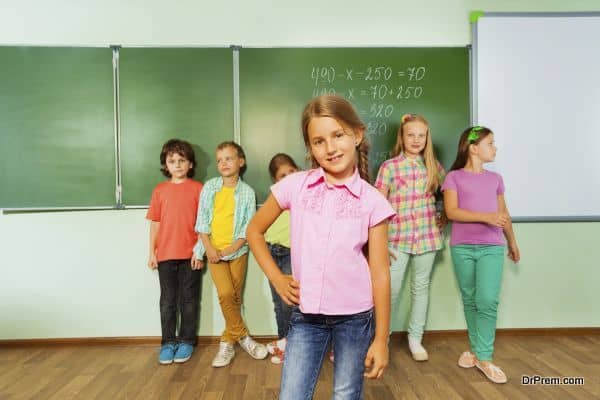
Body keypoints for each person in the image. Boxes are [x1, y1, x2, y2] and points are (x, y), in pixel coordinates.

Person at [247, 95, 395, 399]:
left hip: (355, 320)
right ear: (310, 148)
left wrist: (381, 339)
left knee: (345, 394)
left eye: (338, 135)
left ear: (357, 134)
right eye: (318, 141)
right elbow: (254, 230)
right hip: (305, 318)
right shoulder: (294, 186)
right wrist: (277, 278)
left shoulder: (373, 201)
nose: (330, 147)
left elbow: (380, 274)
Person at [442, 126, 520, 384]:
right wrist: (487, 217)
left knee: (487, 300)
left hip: (492, 246)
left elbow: (503, 213)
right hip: (462, 247)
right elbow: (452, 212)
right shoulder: (453, 177)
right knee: (471, 299)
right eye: (491, 143)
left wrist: (512, 241)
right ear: (473, 148)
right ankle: (476, 351)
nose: (495, 148)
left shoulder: (495, 180)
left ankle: (484, 357)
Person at [374, 113, 446, 361]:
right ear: (402, 137)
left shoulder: (434, 167)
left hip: (427, 237)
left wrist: (443, 218)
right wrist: (379, 241)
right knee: (389, 292)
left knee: (421, 289)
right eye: (411, 135)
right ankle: (381, 339)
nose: (416, 140)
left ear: (427, 138)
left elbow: (450, 195)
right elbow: (378, 206)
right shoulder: (389, 167)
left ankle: (416, 339)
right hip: (396, 239)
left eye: (421, 135)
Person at [194, 141, 267, 367]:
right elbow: (202, 221)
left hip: (238, 252)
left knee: (235, 297)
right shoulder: (210, 187)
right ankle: (244, 337)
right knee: (226, 294)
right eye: (219, 160)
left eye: (229, 158)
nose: (223, 163)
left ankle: (227, 341)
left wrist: (231, 249)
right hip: (213, 252)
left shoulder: (247, 193)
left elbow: (248, 228)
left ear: (240, 161)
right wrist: (208, 249)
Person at [146, 139, 204, 365]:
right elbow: (155, 223)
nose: (177, 165)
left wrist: (199, 252)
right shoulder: (160, 191)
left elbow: (203, 223)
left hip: (191, 255)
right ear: (165, 165)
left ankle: (187, 340)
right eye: (172, 161)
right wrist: (152, 252)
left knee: (189, 301)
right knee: (167, 301)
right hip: (165, 256)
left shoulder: (199, 189)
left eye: (182, 160)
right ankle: (168, 342)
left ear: (190, 164)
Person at [264, 153, 300, 364]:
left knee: (290, 302)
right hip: (271, 249)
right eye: (282, 175)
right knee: (279, 302)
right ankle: (283, 343)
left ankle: (293, 346)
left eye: (291, 172)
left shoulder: (305, 193)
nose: (288, 177)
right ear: (276, 181)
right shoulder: (276, 196)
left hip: (290, 251)